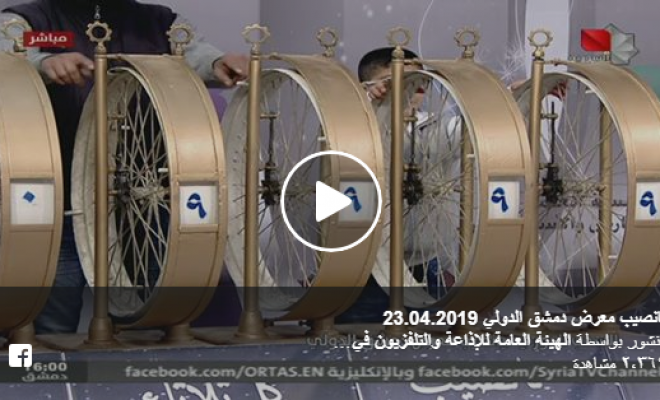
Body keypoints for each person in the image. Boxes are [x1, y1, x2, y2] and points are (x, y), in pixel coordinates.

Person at [0, 0, 248, 334]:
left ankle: (138, 365)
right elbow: (9, 57)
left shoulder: (160, 21)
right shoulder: (32, 20)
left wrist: (218, 63)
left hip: (144, 195)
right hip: (56, 194)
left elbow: (194, 54)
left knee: (152, 313)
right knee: (49, 317)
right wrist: (43, 63)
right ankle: (39, 366)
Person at [336, 47, 455, 324]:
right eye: (393, 83)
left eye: (416, 83)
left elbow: (480, 131)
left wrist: (515, 101)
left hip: (424, 266)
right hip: (362, 269)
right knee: (356, 344)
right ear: (368, 87)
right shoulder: (349, 129)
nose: (408, 90)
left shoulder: (438, 128)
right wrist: (368, 106)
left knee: (430, 346)